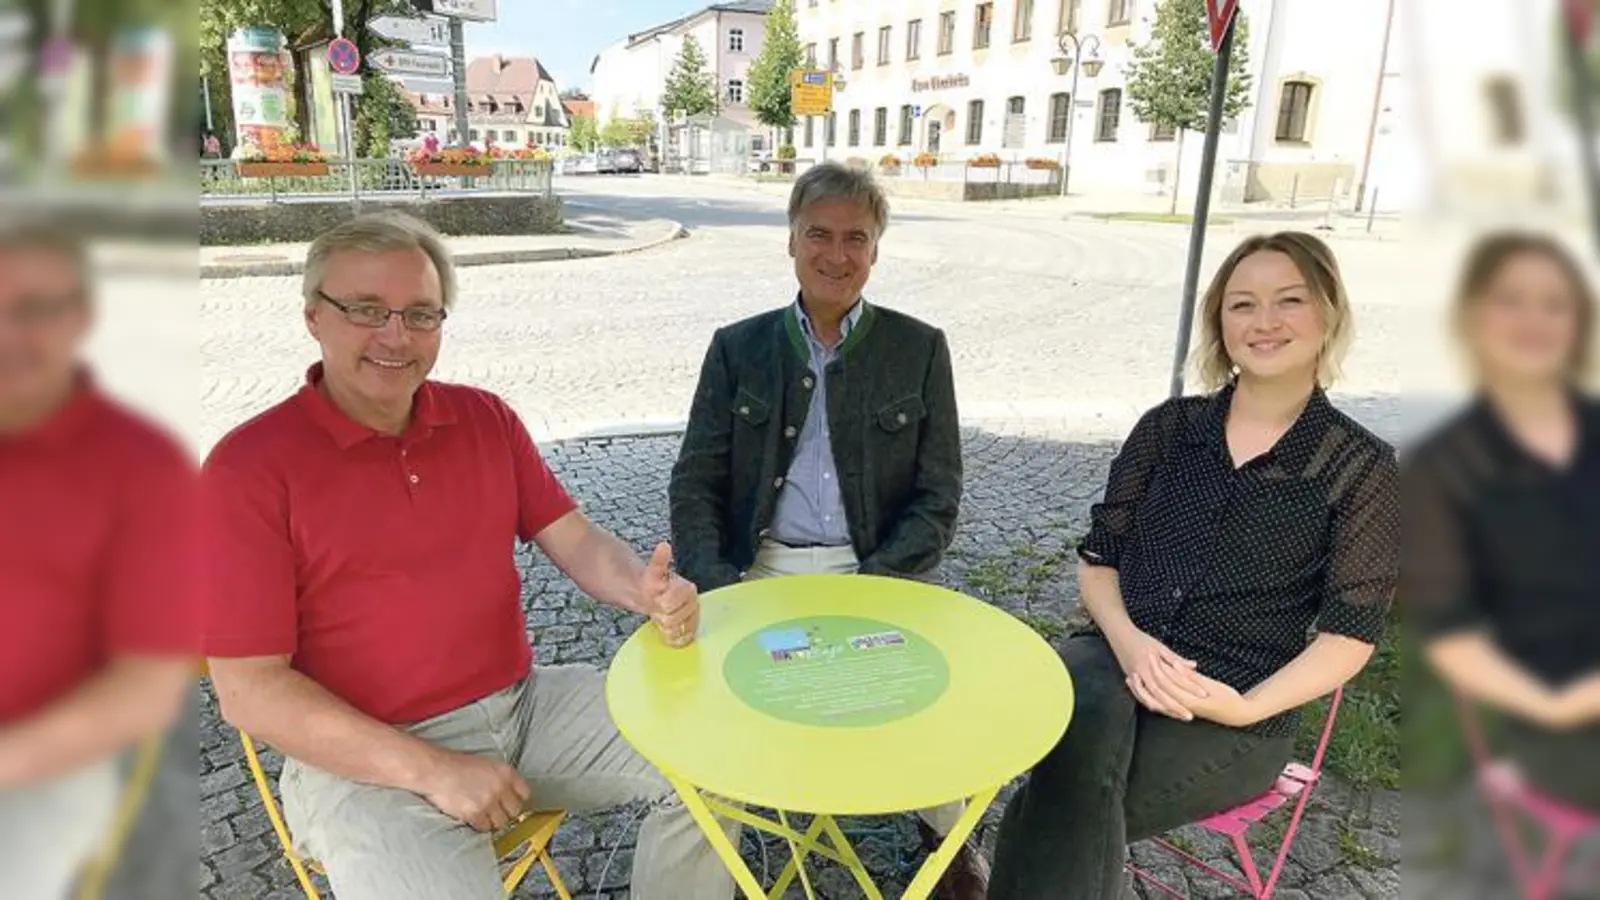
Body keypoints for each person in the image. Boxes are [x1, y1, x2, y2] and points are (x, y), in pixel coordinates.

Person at [202, 212, 736, 900]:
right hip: (364, 764)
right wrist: (429, 768)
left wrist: (644, 588)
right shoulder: (249, 468)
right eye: (367, 309)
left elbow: (572, 538)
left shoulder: (484, 419)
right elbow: (251, 692)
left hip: (522, 706)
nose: (396, 337)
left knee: (716, 759)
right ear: (313, 316)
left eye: (421, 314)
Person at [988, 231, 1400, 899]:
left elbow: (1348, 636)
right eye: (1242, 305)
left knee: (1054, 805)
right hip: (1111, 655)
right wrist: (1131, 646)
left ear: (1327, 313)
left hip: (1234, 702)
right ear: (1219, 322)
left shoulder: (1359, 466)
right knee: (1075, 775)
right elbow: (1099, 562)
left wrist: (1243, 709)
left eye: (1288, 300)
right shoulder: (1168, 429)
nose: (1264, 322)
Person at [668, 162, 979, 899]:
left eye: (856, 239)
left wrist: (882, 583)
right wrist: (718, 587)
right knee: (710, 721)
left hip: (875, 572)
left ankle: (949, 849)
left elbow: (940, 493)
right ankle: (716, 862)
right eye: (819, 235)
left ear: (876, 250)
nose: (836, 255)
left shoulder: (920, 347)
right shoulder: (737, 347)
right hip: (759, 569)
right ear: (791, 240)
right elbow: (695, 479)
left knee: (930, 709)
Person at [0, 223, 199, 899]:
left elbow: (144, 685)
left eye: (34, 310)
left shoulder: (138, 464)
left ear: (81, 317)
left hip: (45, 761)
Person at [1408, 231, 1600, 812]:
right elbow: (1452, 637)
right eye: (1511, 299)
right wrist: (1557, 707)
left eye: (1554, 303)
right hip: (1549, 715)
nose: (1533, 319)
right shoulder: (1445, 467)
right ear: (1472, 316)